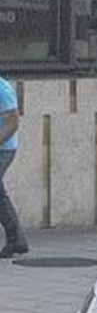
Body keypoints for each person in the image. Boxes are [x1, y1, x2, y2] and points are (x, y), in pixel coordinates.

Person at [0, 75, 27, 258]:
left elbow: (13, 122)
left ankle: (16, 239)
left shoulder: (2, 90)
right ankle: (17, 240)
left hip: (4, 149)